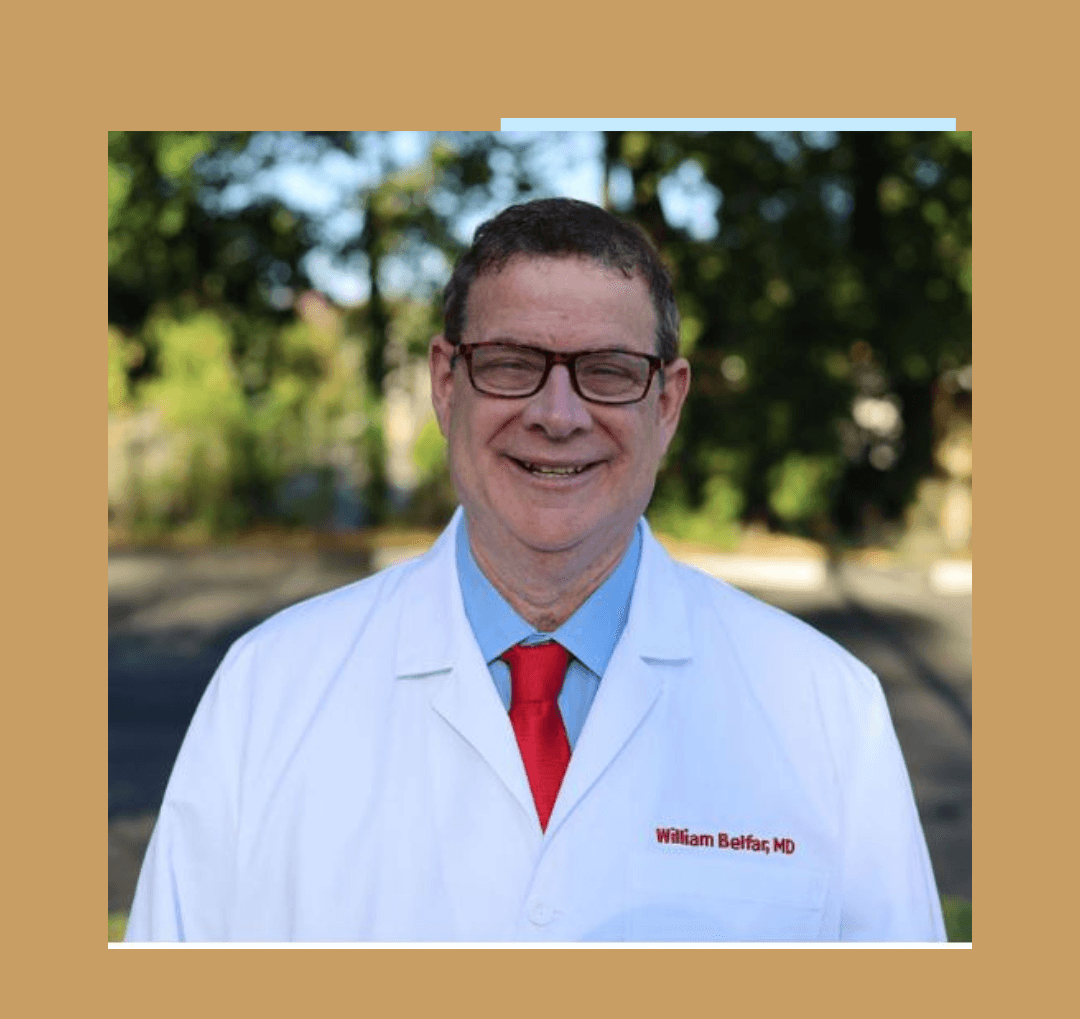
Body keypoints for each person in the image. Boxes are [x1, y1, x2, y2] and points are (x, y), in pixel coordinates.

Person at [126, 198, 945, 943]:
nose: (558, 415)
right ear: (446, 383)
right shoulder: (266, 691)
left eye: (609, 370)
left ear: (666, 404)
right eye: (513, 362)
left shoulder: (825, 711)